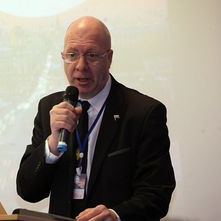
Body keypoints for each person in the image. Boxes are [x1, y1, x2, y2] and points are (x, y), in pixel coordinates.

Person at [16, 16, 175, 221]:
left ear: (109, 58)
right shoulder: (50, 108)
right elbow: (28, 191)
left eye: (91, 55)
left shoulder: (143, 112)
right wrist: (52, 145)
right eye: (72, 55)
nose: (81, 66)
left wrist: (116, 216)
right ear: (63, 57)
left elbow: (157, 194)